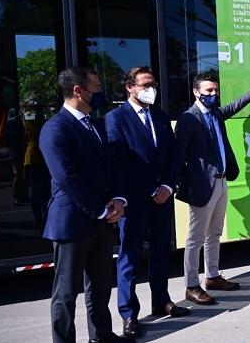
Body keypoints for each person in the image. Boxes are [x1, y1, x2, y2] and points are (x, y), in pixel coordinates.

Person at [39, 67, 132, 343]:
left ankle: (101, 335)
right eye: (97, 87)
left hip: (102, 220)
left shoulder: (96, 125)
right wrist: (102, 209)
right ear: (78, 90)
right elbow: (67, 178)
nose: (101, 92)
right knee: (66, 293)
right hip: (72, 223)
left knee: (100, 287)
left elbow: (112, 166)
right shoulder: (55, 129)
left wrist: (118, 199)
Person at [105, 66, 189, 338]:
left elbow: (173, 155)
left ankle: (161, 300)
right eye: (145, 84)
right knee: (129, 258)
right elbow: (119, 162)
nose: (150, 88)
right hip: (134, 201)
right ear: (129, 87)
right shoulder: (115, 118)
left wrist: (166, 186)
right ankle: (129, 315)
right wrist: (149, 189)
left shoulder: (161, 117)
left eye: (153, 83)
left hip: (162, 199)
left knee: (161, 252)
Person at [176, 72, 250, 304]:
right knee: (195, 238)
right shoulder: (189, 118)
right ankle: (191, 285)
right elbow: (178, 156)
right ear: (196, 92)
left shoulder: (215, 113)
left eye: (216, 91)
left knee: (214, 233)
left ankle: (213, 276)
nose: (213, 95)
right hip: (203, 186)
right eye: (208, 91)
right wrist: (184, 183)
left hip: (222, 181)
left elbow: (232, 107)